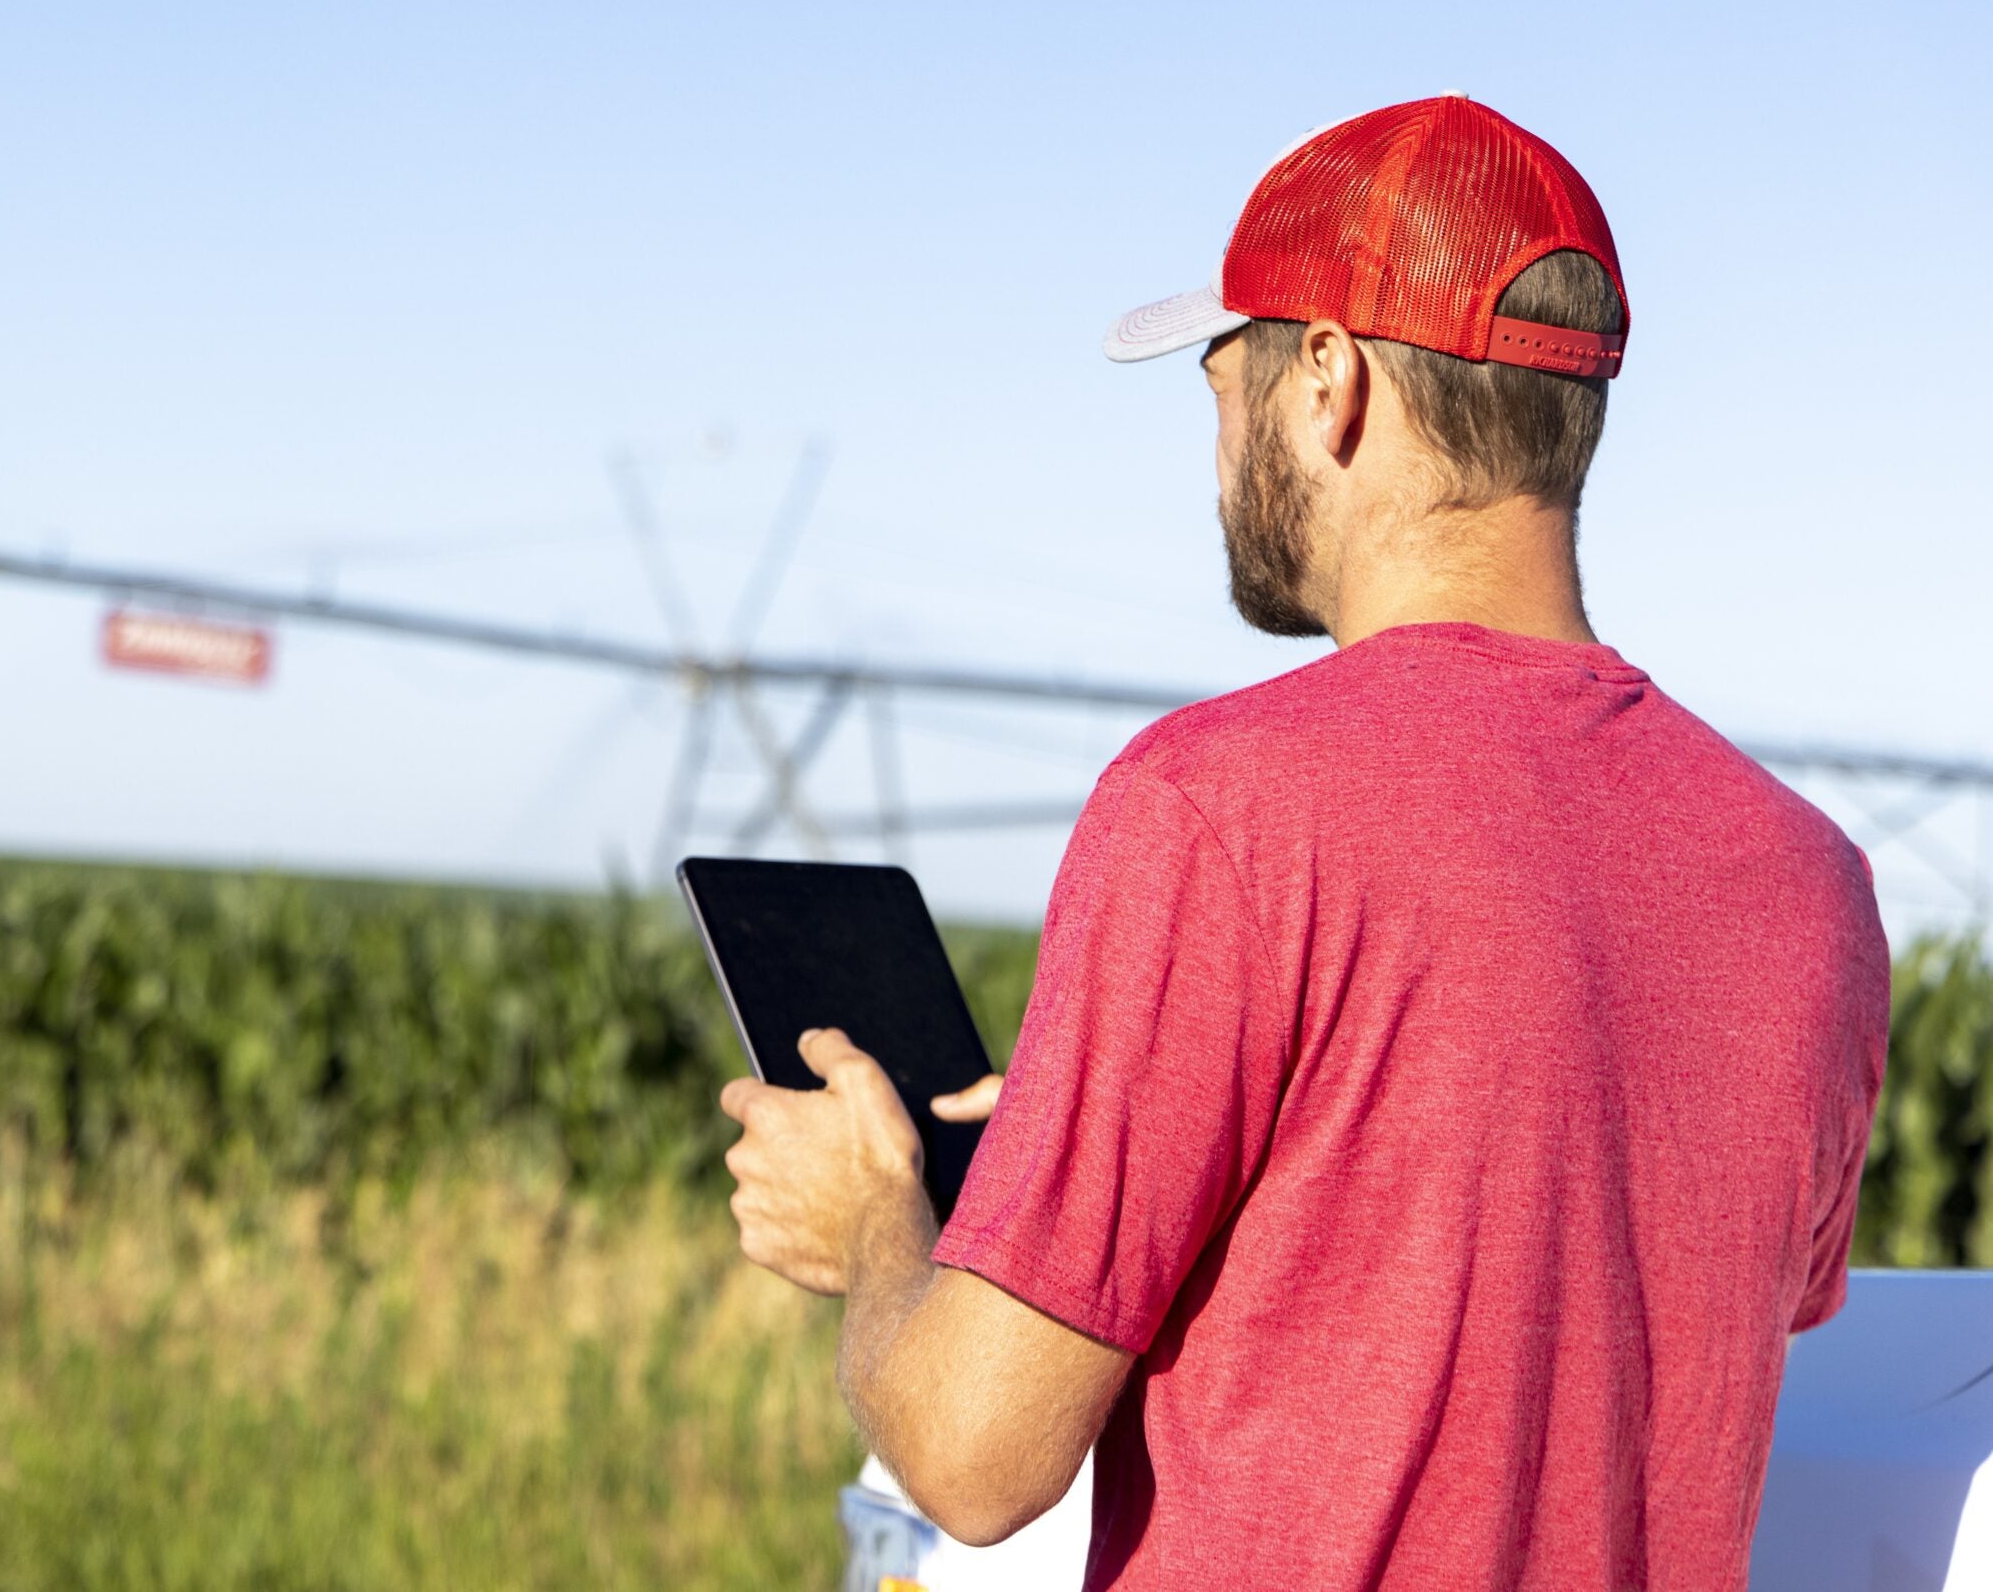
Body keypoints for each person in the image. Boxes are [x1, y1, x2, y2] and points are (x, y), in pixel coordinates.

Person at [716, 94, 1888, 1591]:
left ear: (1327, 379)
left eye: (1221, 370)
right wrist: (1135, 1153)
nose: (1213, 435)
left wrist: (885, 1226)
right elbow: (1576, 1279)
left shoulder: (1218, 808)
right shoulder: (1814, 891)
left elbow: (969, 1455)